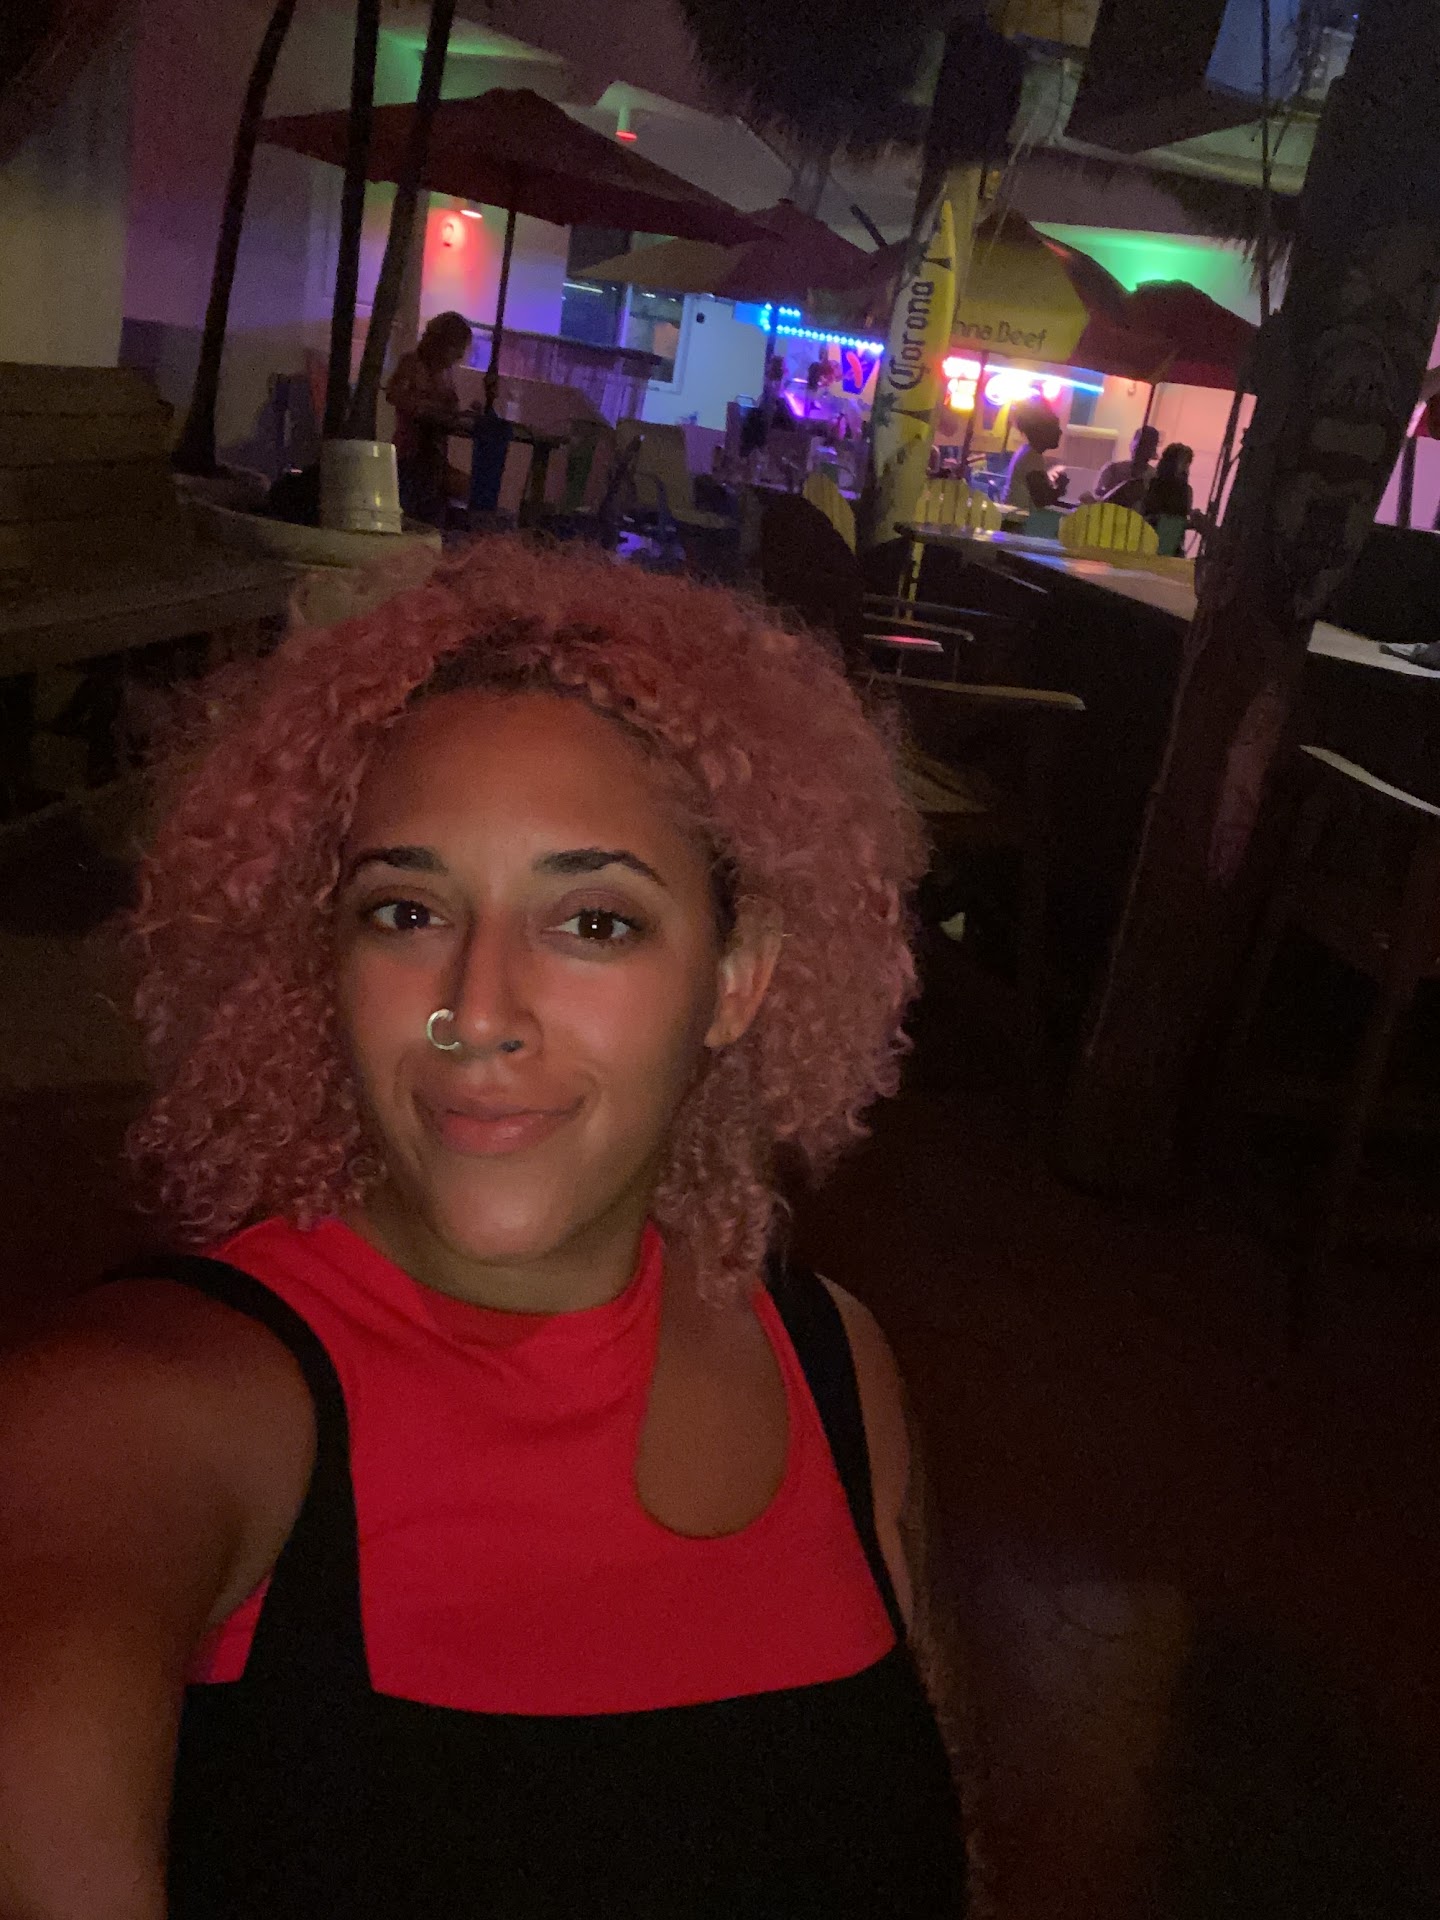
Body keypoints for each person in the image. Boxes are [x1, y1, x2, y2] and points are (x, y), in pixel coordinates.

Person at [0, 540, 968, 1916]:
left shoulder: (839, 1374)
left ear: (738, 979)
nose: (479, 1010)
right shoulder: (150, 1407)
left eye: (594, 922)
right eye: (406, 912)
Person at [384, 309, 474, 526]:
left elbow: (451, 407)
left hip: (435, 458)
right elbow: (394, 394)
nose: (459, 356)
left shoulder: (445, 375)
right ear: (441, 343)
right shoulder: (411, 364)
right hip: (410, 455)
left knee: (472, 488)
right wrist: (426, 408)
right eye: (456, 348)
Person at [1003, 401, 1068, 510]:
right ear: (1042, 432)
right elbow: (1041, 499)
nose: (1060, 432)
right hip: (1019, 517)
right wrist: (1061, 487)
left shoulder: (1027, 453)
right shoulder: (1032, 458)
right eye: (1055, 427)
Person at [1096, 424, 1160, 509]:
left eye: (1146, 445)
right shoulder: (1112, 469)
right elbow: (1099, 497)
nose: (1141, 449)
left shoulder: (1155, 478)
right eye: (1140, 444)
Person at [1142, 441, 1195, 522]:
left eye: (1187, 463)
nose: (1186, 467)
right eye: (1184, 462)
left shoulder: (1186, 490)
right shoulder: (1152, 484)